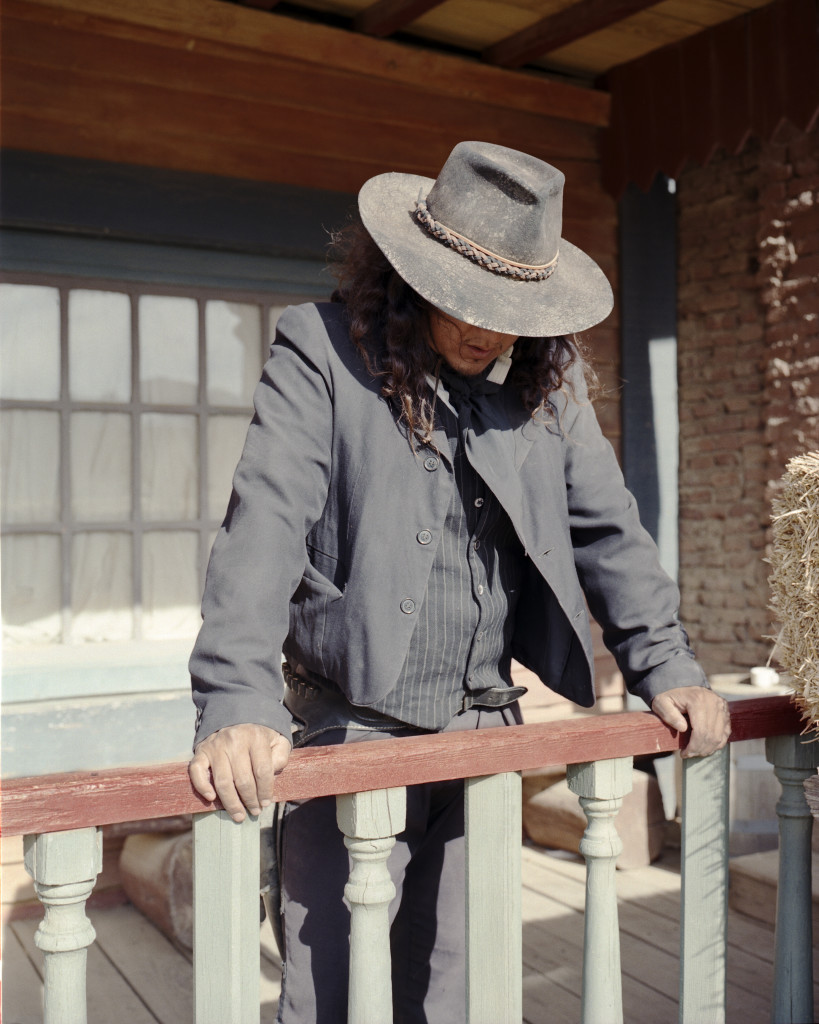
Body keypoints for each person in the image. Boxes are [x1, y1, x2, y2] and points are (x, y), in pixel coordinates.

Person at [188, 140, 730, 1023]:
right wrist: (236, 698)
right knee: (331, 998)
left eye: (513, 307)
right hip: (350, 730)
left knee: (460, 993)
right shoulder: (320, 353)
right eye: (467, 301)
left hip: (487, 731)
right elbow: (264, 527)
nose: (488, 327)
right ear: (409, 277)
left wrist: (666, 664)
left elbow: (609, 532)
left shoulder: (550, 387)